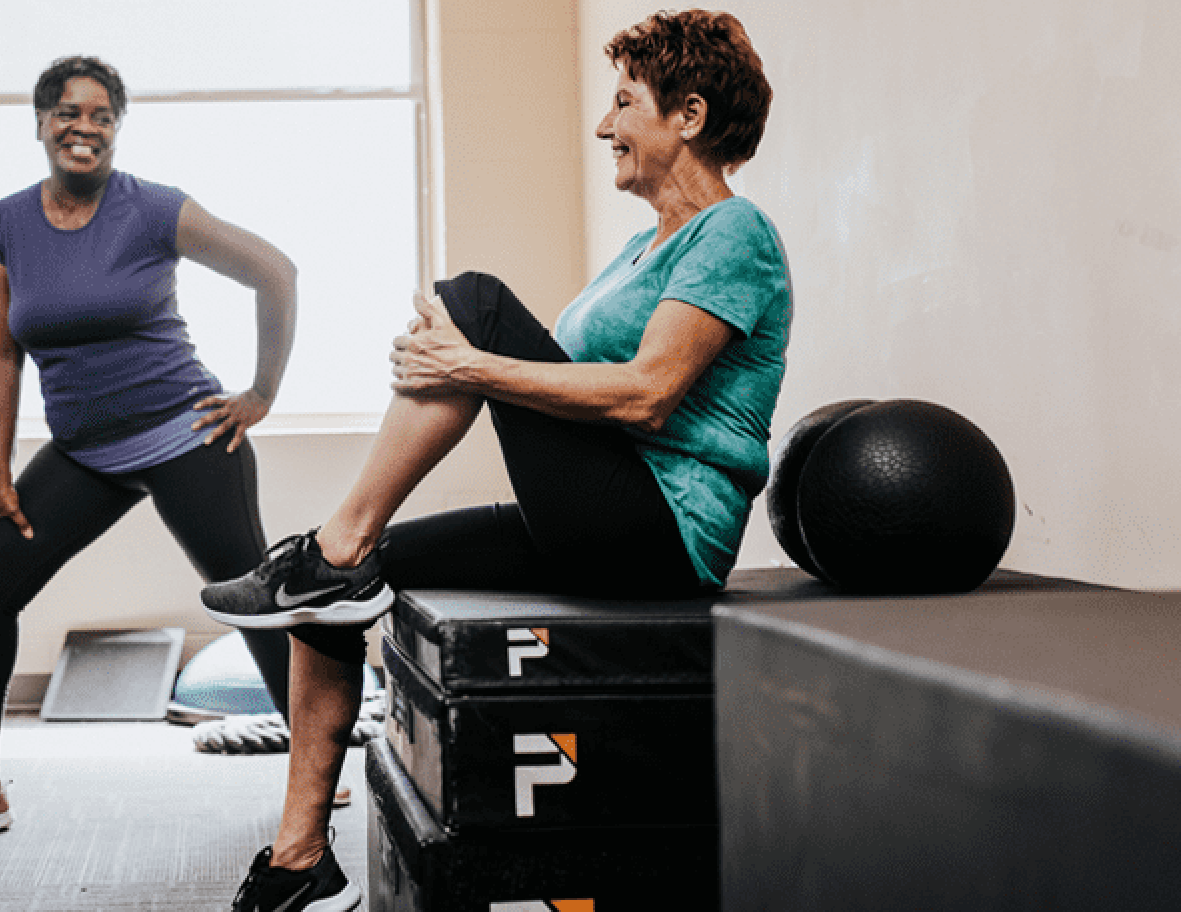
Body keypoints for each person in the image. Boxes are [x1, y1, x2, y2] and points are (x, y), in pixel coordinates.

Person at [202, 9, 791, 911]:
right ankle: (298, 859)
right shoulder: (644, 249)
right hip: (601, 504)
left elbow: (645, 394)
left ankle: (336, 547)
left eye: (625, 102)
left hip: (662, 531)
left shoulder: (734, 236)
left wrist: (467, 361)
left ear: (691, 116)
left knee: (470, 300)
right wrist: (467, 365)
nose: (605, 125)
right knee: (341, 596)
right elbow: (571, 390)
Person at [0, 55, 313, 844]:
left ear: (117, 127)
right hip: (83, 448)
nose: (85, 127)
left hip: (185, 431)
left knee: (246, 592)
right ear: (43, 122)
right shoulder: (7, 222)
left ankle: (312, 773)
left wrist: (261, 393)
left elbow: (274, 272)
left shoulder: (153, 209)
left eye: (102, 115)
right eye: (68, 113)